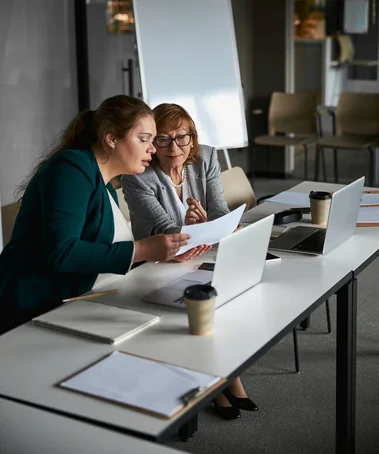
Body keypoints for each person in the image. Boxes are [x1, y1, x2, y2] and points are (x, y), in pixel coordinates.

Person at [0, 95, 197, 335]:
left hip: (75, 301)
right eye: (144, 139)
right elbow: (63, 252)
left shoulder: (104, 184)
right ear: (111, 138)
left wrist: (161, 251)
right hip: (33, 312)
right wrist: (144, 250)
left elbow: (105, 251)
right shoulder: (71, 169)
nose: (153, 149)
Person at [121, 102, 258, 421]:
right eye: (163, 139)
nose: (174, 147)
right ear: (152, 142)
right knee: (207, 296)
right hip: (157, 262)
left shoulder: (206, 157)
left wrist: (212, 221)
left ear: (192, 138)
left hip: (201, 252)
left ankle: (222, 378)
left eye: (182, 137)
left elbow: (220, 210)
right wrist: (196, 228)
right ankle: (223, 380)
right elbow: (163, 230)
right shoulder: (138, 176)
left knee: (226, 289)